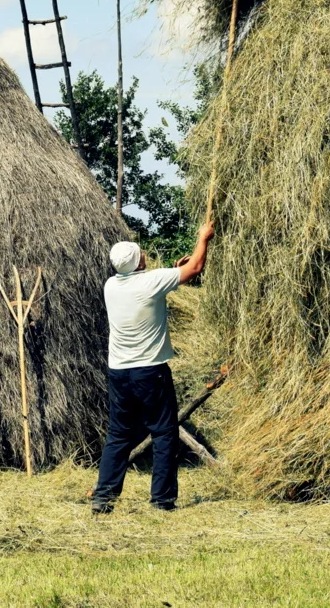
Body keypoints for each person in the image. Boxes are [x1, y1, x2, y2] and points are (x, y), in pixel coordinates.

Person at [89, 220, 213, 514]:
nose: (144, 255)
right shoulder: (150, 281)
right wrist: (203, 238)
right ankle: (162, 500)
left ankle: (103, 497)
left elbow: (158, 279)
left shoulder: (111, 285)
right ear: (137, 261)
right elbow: (195, 269)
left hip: (119, 372)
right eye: (141, 253)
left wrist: (173, 268)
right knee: (164, 432)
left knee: (118, 434)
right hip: (150, 371)